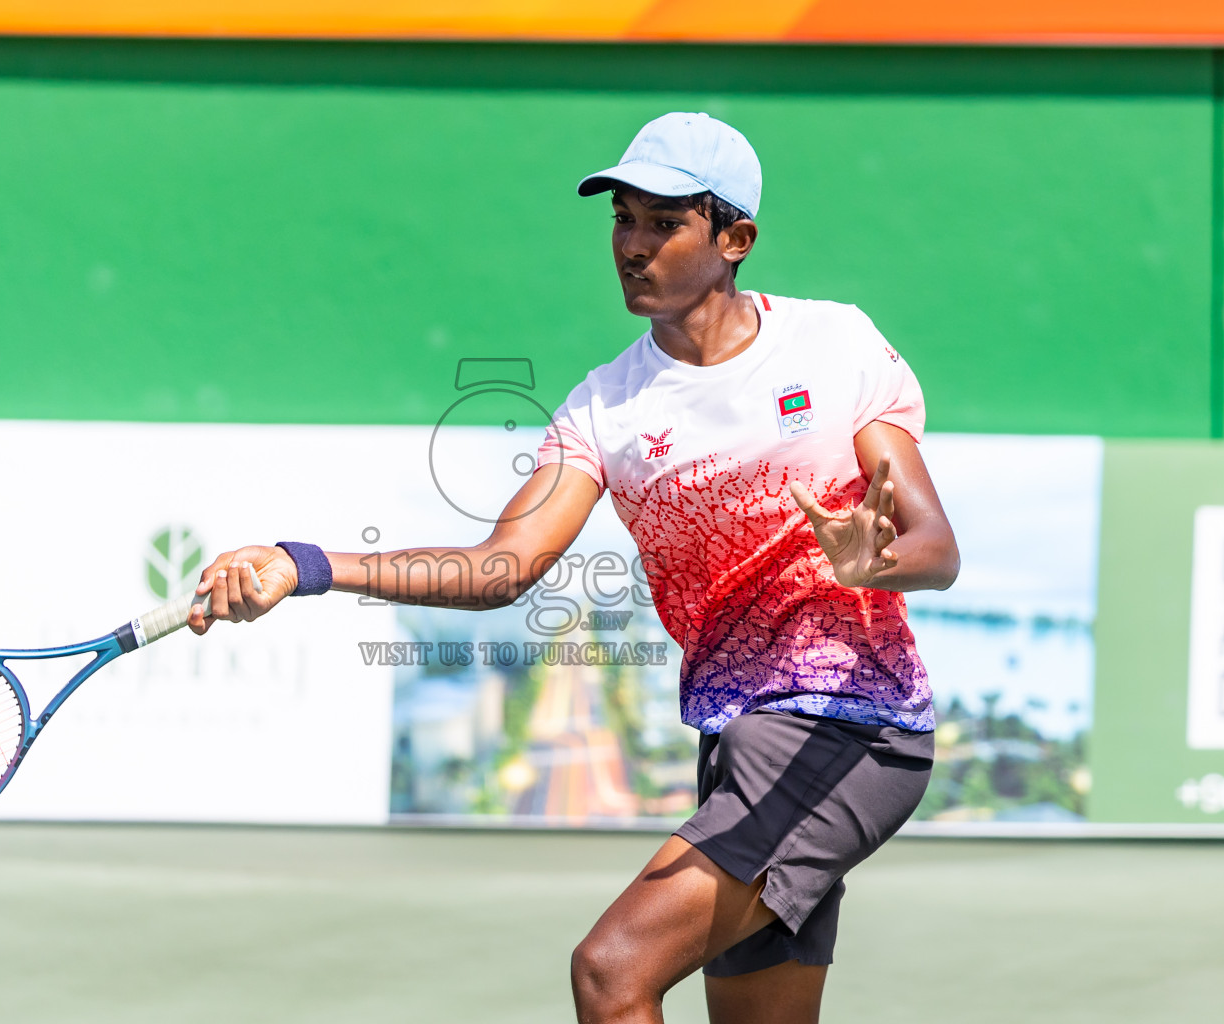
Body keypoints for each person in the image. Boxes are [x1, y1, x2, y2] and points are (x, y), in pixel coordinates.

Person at [188, 111, 960, 1024]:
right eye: (621, 220)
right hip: (736, 738)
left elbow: (935, 549)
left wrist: (877, 563)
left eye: (662, 223)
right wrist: (306, 563)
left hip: (850, 727)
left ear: (736, 239)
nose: (632, 247)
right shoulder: (605, 409)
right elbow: (498, 568)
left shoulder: (834, 345)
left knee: (611, 970)